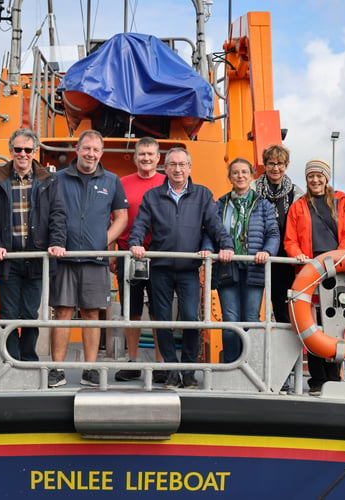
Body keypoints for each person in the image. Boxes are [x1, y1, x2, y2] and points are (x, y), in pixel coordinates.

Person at [129, 147, 234, 389]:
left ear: (189, 168)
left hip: (188, 268)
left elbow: (214, 225)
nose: (177, 169)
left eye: (182, 165)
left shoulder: (203, 195)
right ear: (164, 168)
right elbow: (141, 224)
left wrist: (226, 246)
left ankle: (188, 370)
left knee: (190, 319)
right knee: (163, 320)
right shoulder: (153, 196)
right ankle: (170, 370)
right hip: (161, 269)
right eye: (173, 165)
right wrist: (135, 243)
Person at [0, 129, 67, 363]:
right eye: (18, 149)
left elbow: (58, 215)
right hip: (7, 259)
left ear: (34, 152)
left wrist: (57, 242)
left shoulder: (49, 181)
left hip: (37, 259)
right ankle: (10, 362)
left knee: (30, 314)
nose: (23, 154)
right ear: (10, 151)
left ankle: (28, 361)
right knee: (8, 315)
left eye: (28, 150)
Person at [48, 130, 128, 387]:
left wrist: (101, 243)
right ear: (77, 149)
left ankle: (91, 369)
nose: (91, 154)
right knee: (61, 312)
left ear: (101, 153)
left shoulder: (112, 181)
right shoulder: (57, 179)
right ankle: (57, 370)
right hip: (65, 258)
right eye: (86, 149)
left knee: (92, 313)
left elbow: (122, 217)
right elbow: (49, 215)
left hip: (95, 259)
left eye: (96, 150)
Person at [284, 158, 345, 395]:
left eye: (319, 176)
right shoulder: (298, 206)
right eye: (310, 177)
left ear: (327, 178)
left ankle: (334, 378)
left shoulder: (343, 203)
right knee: (311, 325)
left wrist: (337, 259)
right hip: (309, 271)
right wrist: (300, 256)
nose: (315, 180)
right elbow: (290, 239)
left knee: (334, 326)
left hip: (336, 273)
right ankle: (317, 379)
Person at [110, 137, 166, 383]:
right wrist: (112, 250)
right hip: (127, 255)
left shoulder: (167, 183)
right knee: (130, 311)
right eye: (141, 154)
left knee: (158, 311)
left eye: (150, 154)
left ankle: (161, 362)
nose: (146, 158)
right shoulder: (121, 184)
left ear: (158, 158)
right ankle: (132, 361)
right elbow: (112, 218)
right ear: (135, 157)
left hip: (160, 256)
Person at [214, 158, 279, 363]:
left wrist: (267, 252)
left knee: (251, 319)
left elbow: (273, 234)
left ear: (252, 176)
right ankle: (231, 366)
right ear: (229, 177)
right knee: (230, 322)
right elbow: (211, 231)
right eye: (235, 173)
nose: (240, 176)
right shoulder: (220, 204)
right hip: (228, 268)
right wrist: (210, 250)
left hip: (254, 269)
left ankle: (252, 366)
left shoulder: (263, 205)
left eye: (244, 172)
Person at [254, 144, 303, 323]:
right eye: (271, 163)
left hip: (284, 259)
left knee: (283, 309)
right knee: (253, 308)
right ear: (265, 165)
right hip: (257, 255)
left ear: (287, 165)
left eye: (280, 163)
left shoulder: (296, 193)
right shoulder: (253, 189)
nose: (276, 168)